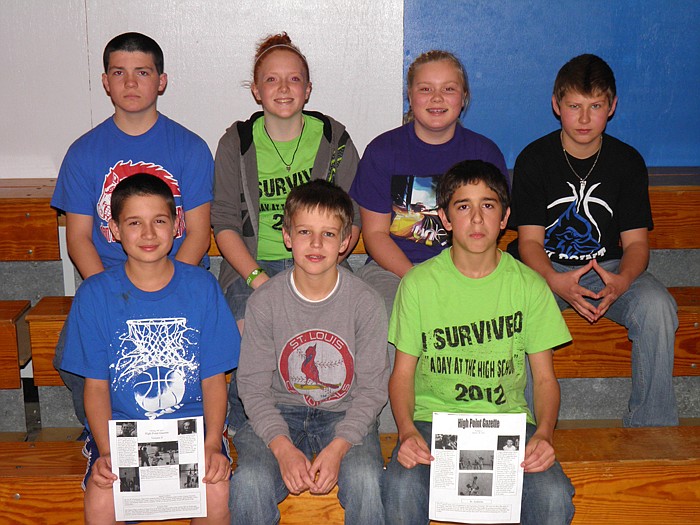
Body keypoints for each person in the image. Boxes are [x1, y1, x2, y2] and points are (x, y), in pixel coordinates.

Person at [383, 160, 575, 525]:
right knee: (400, 488)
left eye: (487, 205)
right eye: (463, 206)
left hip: (507, 425)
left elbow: (546, 380)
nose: (476, 219)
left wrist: (546, 434)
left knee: (553, 495)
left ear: (504, 218)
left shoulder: (530, 285)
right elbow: (402, 375)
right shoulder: (419, 285)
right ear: (444, 217)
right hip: (433, 424)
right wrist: (406, 431)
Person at [51, 32, 215, 428]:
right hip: (109, 283)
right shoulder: (83, 152)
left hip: (182, 279)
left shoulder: (190, 148)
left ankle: (201, 431)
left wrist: (168, 289)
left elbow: (196, 232)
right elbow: (77, 238)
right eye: (119, 72)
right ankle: (103, 435)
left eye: (142, 72)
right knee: (74, 354)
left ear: (160, 81)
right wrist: (112, 296)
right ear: (105, 81)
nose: (130, 83)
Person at [507, 54, 678, 427]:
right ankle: (531, 430)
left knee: (657, 307)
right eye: (574, 106)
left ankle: (651, 426)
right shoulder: (534, 159)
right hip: (545, 271)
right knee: (519, 307)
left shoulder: (627, 161)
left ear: (612, 107)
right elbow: (529, 243)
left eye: (595, 106)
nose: (584, 119)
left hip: (609, 269)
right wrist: (555, 281)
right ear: (557, 105)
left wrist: (622, 282)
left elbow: (636, 246)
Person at [59, 174, 239, 525]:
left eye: (159, 221)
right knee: (102, 498)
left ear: (177, 226)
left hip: (192, 432)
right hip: (124, 435)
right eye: (134, 223)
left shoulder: (202, 288)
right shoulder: (95, 295)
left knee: (214, 490)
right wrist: (110, 453)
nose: (148, 233)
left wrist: (212, 445)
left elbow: (215, 380)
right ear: (113, 229)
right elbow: (95, 388)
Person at [211, 31, 361, 432]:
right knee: (249, 324)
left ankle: (329, 416)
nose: (283, 88)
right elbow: (224, 223)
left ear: (308, 89)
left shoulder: (335, 141)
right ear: (257, 91)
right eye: (271, 80)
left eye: (294, 79)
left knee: (343, 322)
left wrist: (316, 274)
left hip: (320, 263)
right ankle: (245, 426)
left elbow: (351, 221)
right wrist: (260, 279)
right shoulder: (236, 143)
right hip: (252, 265)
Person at [230, 180, 389, 525]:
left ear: (346, 241)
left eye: (329, 234)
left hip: (343, 414)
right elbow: (253, 387)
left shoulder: (365, 303)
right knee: (249, 482)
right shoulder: (265, 302)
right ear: (287, 236)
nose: (316, 244)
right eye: (304, 231)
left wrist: (340, 445)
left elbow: (373, 389)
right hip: (279, 411)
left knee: (367, 480)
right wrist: (281, 447)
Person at [349, 49, 508, 318]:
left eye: (448, 88)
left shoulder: (484, 153)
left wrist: (459, 279)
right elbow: (375, 235)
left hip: (468, 268)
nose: (437, 98)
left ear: (464, 97)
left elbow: (490, 229)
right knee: (391, 316)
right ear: (410, 97)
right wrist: (417, 279)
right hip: (394, 271)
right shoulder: (382, 151)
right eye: (425, 89)